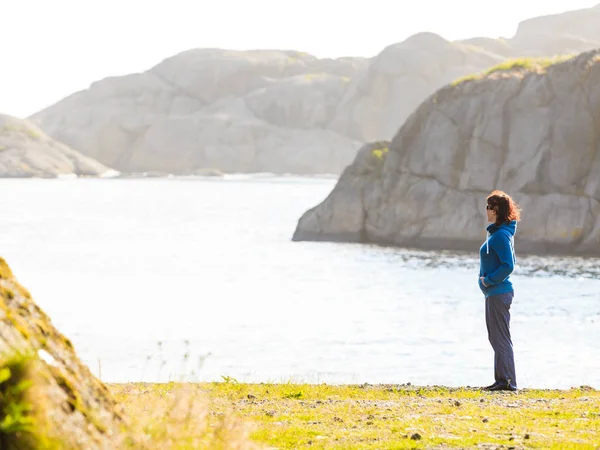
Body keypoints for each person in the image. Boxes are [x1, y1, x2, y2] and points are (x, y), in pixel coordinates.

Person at [478, 190, 521, 392]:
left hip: (499, 292)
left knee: (500, 337)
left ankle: (507, 382)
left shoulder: (501, 236)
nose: (485, 210)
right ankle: (501, 380)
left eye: (488, 206)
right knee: (495, 337)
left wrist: (488, 280)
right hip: (493, 293)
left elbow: (508, 265)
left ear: (496, 209)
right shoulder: (498, 233)